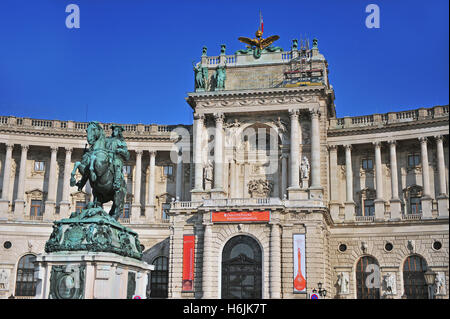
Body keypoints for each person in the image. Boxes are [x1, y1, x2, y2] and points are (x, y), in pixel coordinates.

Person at [106, 125, 130, 190]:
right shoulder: (107, 140)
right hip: (107, 156)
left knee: (117, 164)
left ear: (119, 132)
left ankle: (117, 182)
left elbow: (127, 155)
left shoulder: (122, 142)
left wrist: (121, 150)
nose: (114, 132)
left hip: (116, 158)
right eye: (113, 130)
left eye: (116, 130)